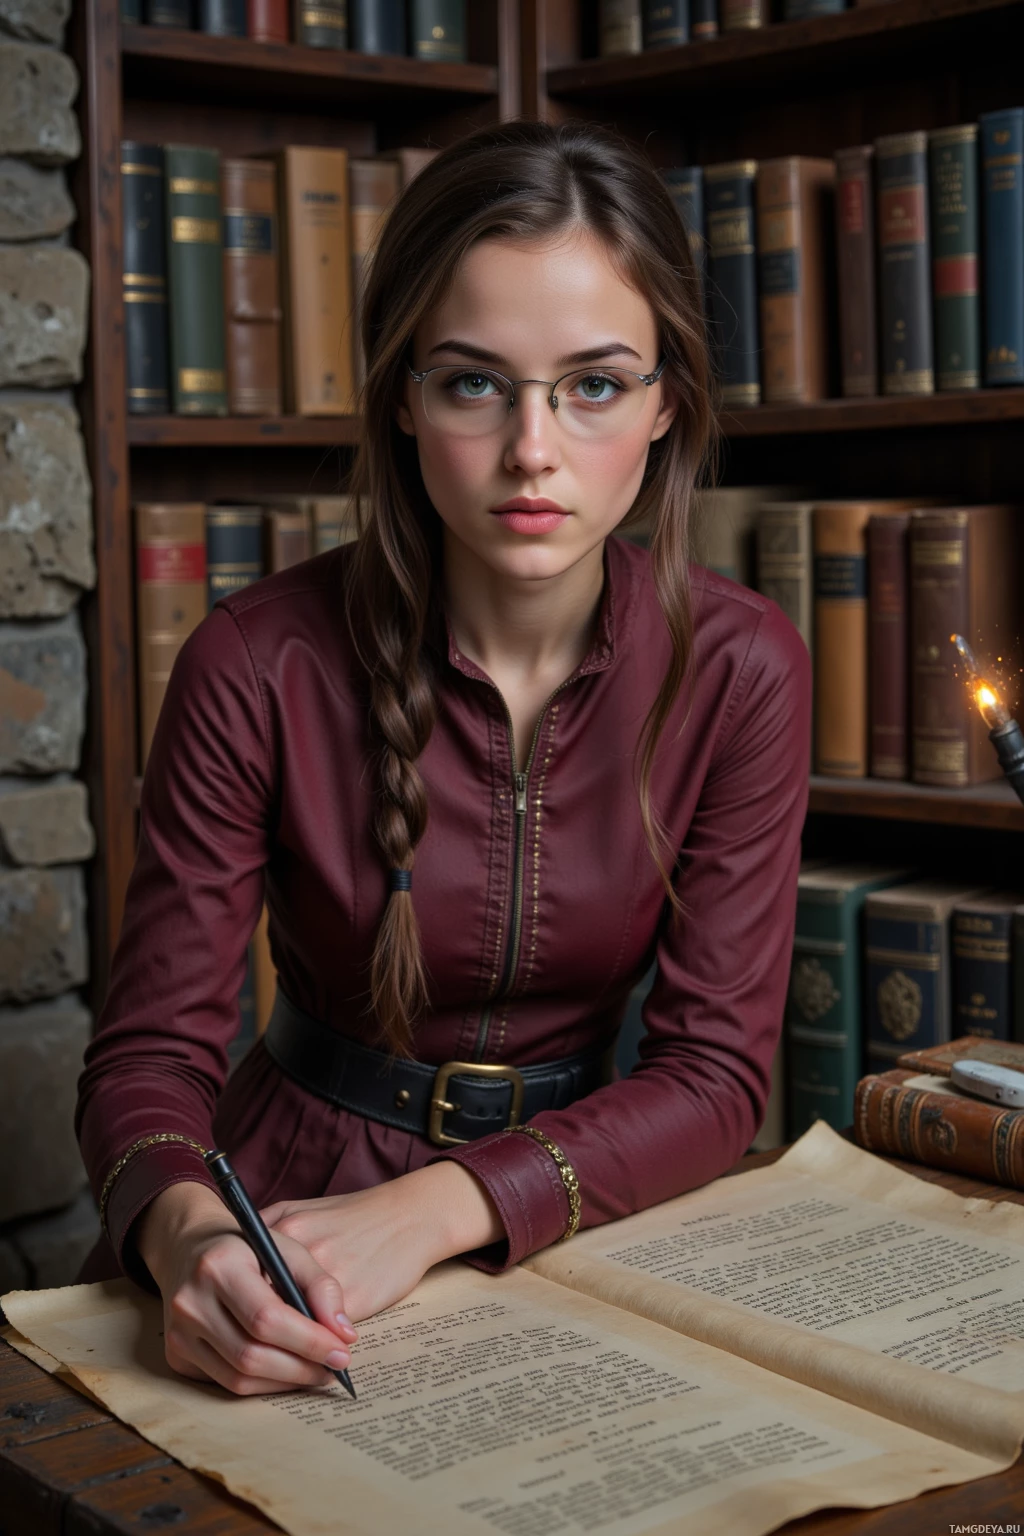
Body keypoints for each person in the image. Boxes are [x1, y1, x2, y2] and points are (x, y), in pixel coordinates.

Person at [75, 119, 811, 1397]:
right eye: (475, 382)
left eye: (592, 385)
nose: (534, 449)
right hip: (281, 1221)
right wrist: (188, 1233)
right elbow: (149, 1057)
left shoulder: (744, 668)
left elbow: (714, 1077)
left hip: (589, 1206)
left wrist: (435, 1207)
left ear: (664, 406)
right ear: (405, 400)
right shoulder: (255, 662)